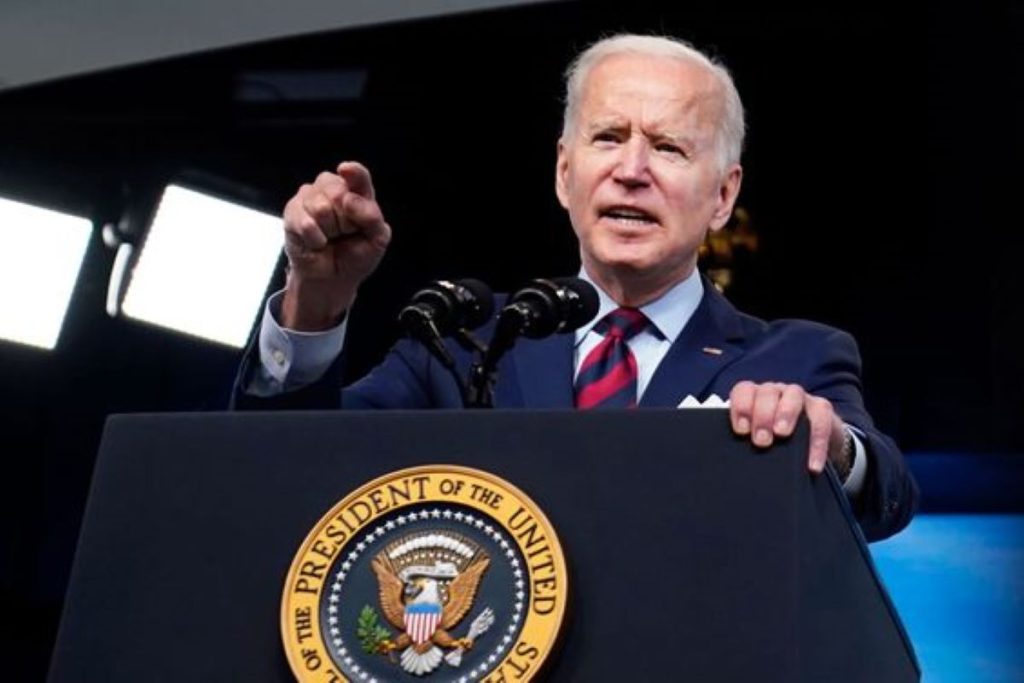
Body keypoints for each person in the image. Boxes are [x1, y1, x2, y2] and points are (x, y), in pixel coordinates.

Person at [232, 34, 918, 541]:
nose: (631, 169)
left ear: (722, 196)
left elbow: (884, 491)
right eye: (608, 137)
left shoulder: (794, 358)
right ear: (565, 172)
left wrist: (836, 446)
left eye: (670, 147)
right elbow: (283, 477)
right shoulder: (461, 346)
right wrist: (313, 303)